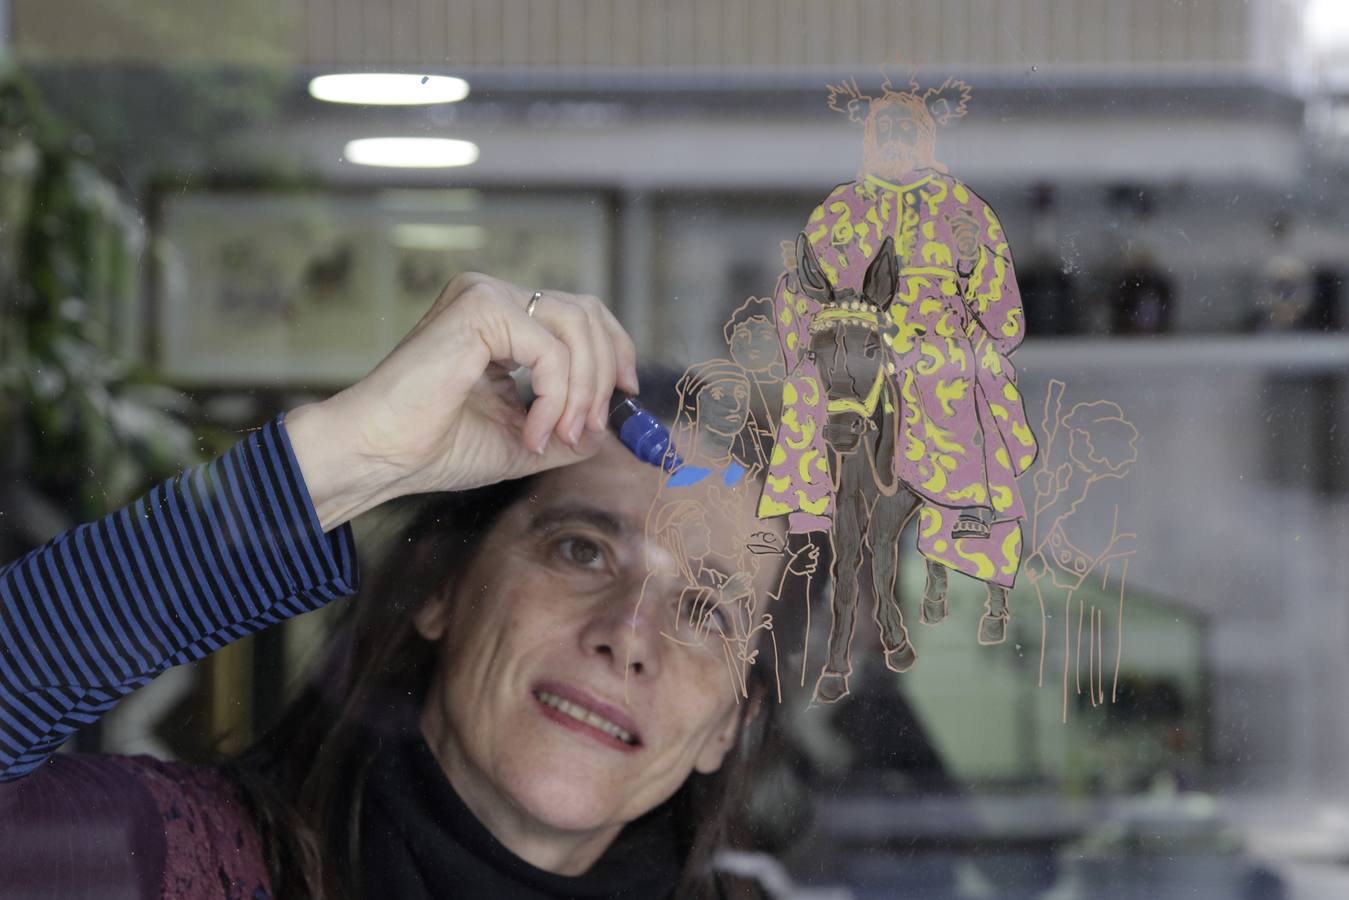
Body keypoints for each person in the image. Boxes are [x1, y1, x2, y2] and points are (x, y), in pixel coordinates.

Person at [0, 272, 787, 899]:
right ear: (440, 587)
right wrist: (346, 458)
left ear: (728, 724)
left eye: (706, 611)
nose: (627, 634)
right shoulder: (181, 864)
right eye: (580, 551)